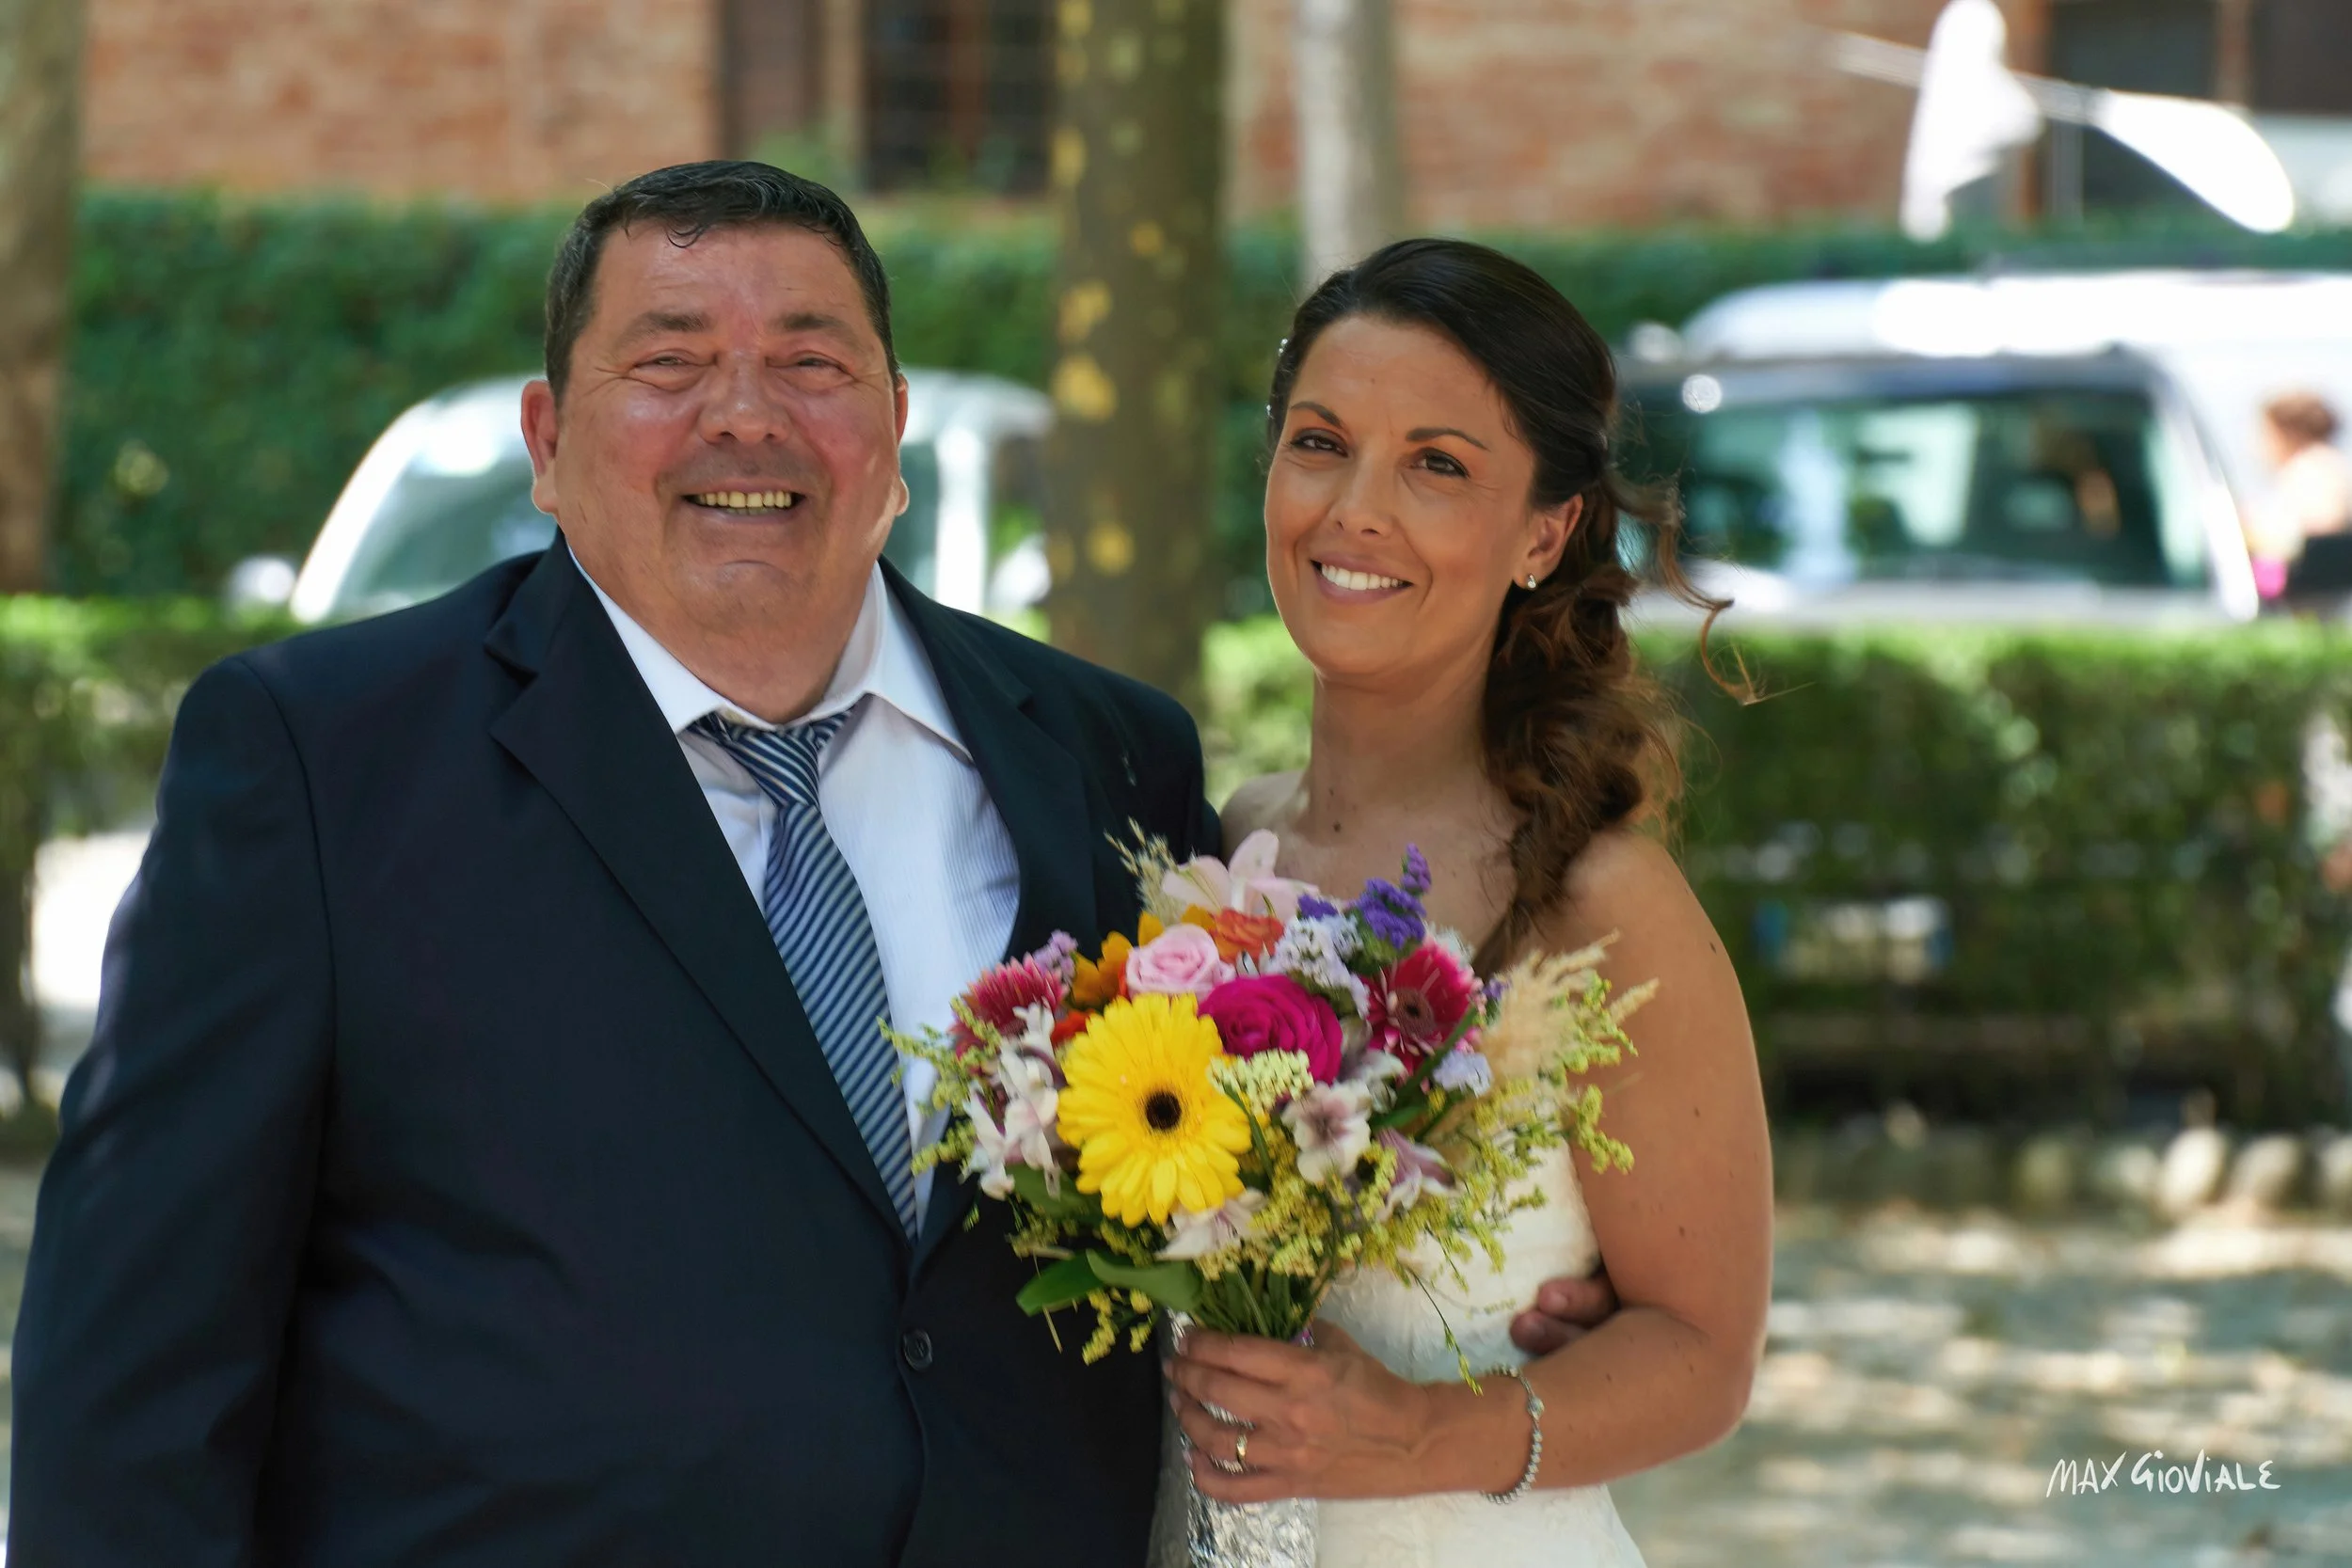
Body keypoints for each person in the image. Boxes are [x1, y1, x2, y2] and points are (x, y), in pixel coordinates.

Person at [8, 165, 1612, 1566]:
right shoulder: (319, 760)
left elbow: (1216, 1172)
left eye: (812, 362)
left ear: (893, 427)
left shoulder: (1107, 755)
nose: (745, 413)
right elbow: (132, 1374)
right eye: (668, 361)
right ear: (548, 440)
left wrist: (1492, 1306)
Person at [1162, 239, 1773, 1565]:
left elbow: (1706, 1354)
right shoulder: (1222, 852)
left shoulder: (1600, 902)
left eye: (1436, 465)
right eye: (1320, 443)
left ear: (1544, 533)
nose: (1355, 510)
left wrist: (1421, 1431)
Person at [2250, 391, 2352, 602]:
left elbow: (2322, 534)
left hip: (2315, 599)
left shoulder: (2314, 469)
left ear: (2285, 433)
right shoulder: (2329, 466)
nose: (2257, 448)